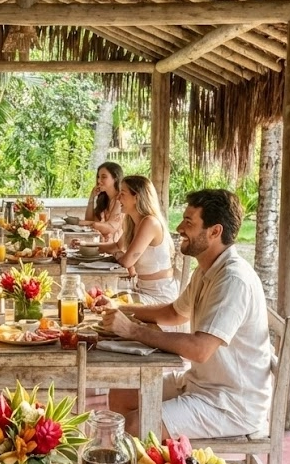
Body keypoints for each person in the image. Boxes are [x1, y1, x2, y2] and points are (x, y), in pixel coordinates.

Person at [104, 189, 272, 442]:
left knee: (137, 425)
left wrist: (132, 330)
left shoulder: (232, 280)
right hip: (199, 383)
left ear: (215, 232)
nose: (180, 227)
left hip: (230, 403)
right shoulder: (206, 269)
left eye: (189, 222)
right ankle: (147, 463)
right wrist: (121, 309)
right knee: (121, 394)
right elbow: (174, 313)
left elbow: (200, 350)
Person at [99, 174, 179, 306]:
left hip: (160, 296)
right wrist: (85, 246)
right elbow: (117, 247)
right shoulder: (134, 222)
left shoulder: (150, 223)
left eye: (123, 194)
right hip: (142, 290)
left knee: (108, 304)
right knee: (104, 300)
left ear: (136, 197)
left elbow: (126, 261)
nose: (118, 198)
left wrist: (117, 255)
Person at [81, 162, 123, 240]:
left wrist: (81, 223)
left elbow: (109, 228)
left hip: (117, 247)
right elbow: (89, 220)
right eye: (98, 177)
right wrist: (92, 197)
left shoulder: (121, 199)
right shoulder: (104, 199)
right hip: (104, 245)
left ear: (115, 178)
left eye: (104, 177)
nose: (99, 180)